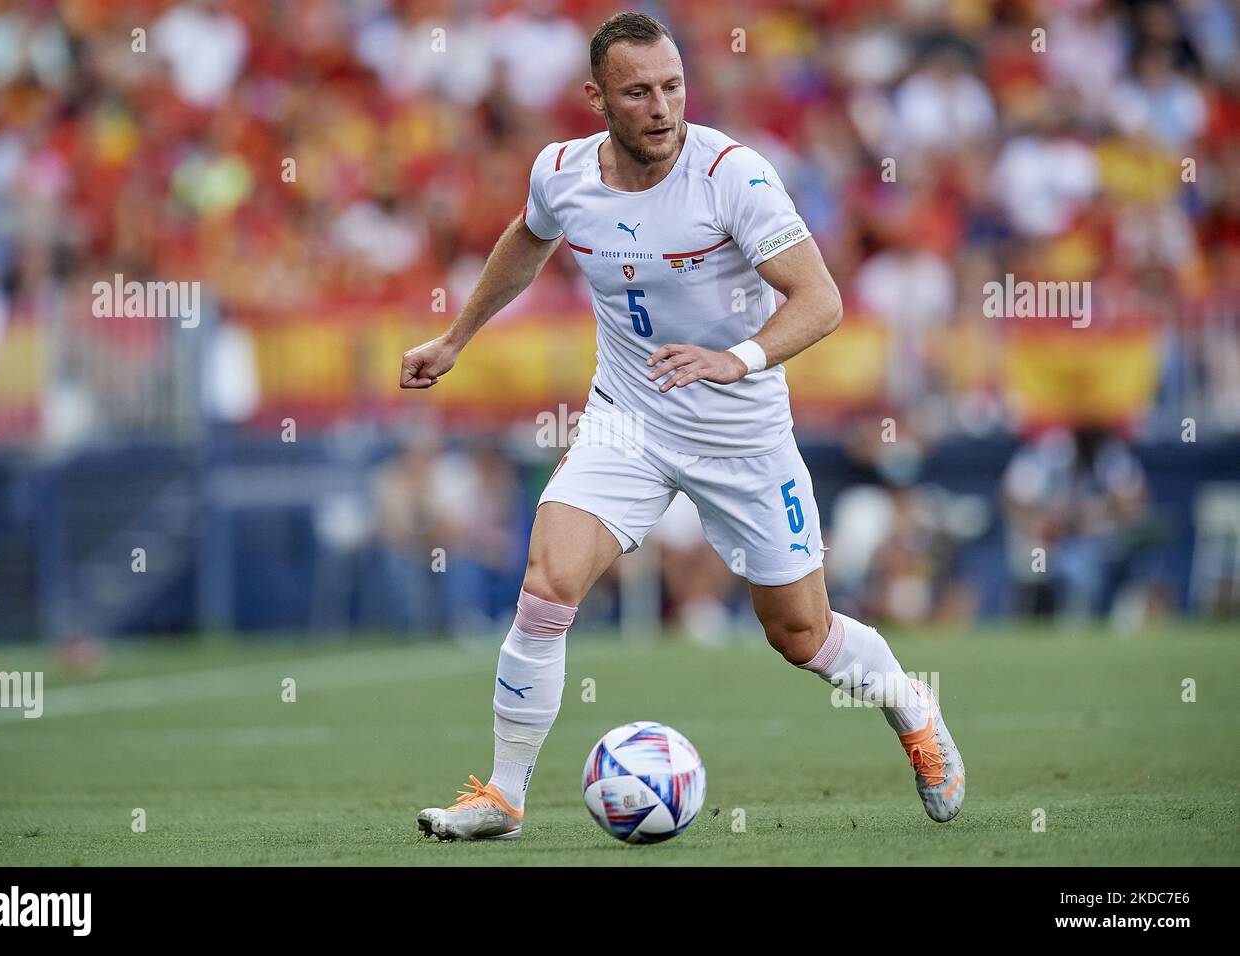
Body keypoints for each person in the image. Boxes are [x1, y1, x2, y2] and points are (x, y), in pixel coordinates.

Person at [400, 13, 964, 841]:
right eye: (638, 92)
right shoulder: (560, 172)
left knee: (801, 634)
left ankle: (911, 705)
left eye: (672, 87)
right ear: (597, 98)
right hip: (626, 419)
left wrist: (736, 357)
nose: (662, 107)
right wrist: (456, 337)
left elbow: (821, 300)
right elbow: (528, 238)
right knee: (546, 587)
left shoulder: (733, 175)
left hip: (741, 434)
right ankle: (505, 796)